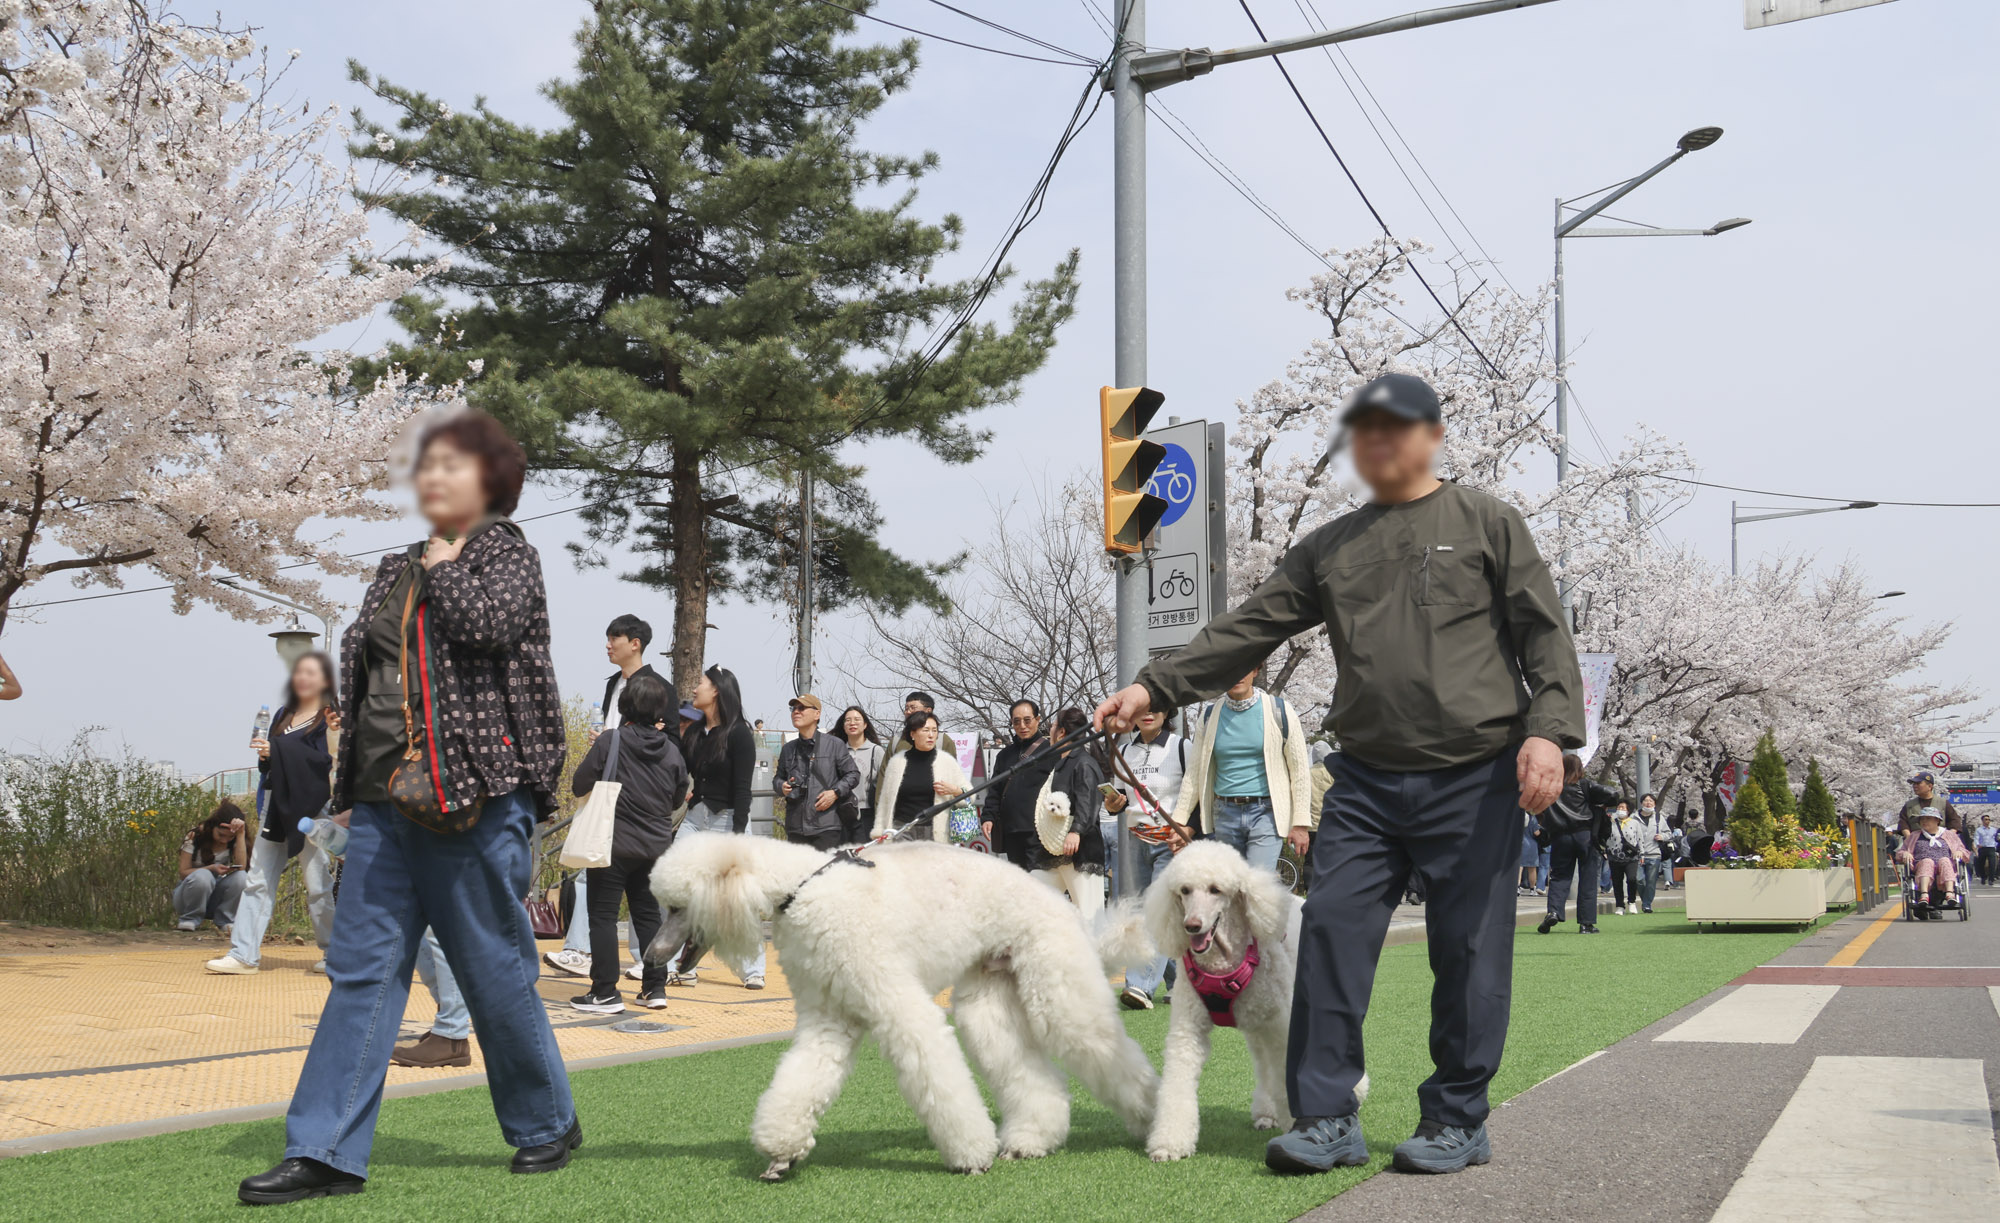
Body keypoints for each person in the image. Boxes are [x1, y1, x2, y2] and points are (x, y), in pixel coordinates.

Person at [1095, 371, 1583, 1177]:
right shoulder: (1331, 545)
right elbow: (1250, 626)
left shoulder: (1488, 521)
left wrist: (1550, 733)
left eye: (1394, 428)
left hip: (1476, 773)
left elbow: (1543, 633)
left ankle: (1458, 1115)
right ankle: (1325, 1115)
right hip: (1363, 780)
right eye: (1364, 432)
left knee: (1468, 950)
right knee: (1327, 933)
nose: (1377, 444)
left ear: (1431, 435)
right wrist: (1155, 685)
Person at [238, 410, 577, 1205]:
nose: (432, 478)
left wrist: (451, 566)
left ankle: (544, 1122)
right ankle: (323, 1147)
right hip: (384, 803)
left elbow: (490, 629)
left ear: (491, 480)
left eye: (452, 466)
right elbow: (364, 681)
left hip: (476, 797)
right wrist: (350, 791)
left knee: (494, 969)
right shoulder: (395, 566)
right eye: (427, 466)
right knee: (362, 971)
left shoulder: (507, 555)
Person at [543, 613, 662, 981]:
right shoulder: (613, 684)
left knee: (632, 896)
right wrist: (604, 744)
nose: (608, 645)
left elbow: (666, 742)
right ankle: (644, 970)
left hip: (635, 801)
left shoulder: (657, 687)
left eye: (614, 638)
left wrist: (618, 744)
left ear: (635, 643)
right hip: (607, 792)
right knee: (609, 883)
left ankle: (622, 973)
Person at [208, 654, 341, 976]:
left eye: (311, 673)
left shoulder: (332, 718)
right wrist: (268, 754)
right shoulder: (284, 714)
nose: (303, 679)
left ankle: (335, 954)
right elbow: (269, 766)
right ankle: (243, 954)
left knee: (317, 884)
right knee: (258, 881)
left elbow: (327, 762)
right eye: (299, 673)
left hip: (314, 810)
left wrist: (279, 750)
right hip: (277, 805)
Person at [568, 674, 689, 1015]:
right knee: (648, 917)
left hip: (613, 843)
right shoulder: (671, 750)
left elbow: (580, 784)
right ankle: (654, 989)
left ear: (625, 706)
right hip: (654, 846)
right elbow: (678, 796)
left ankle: (605, 992)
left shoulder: (612, 740)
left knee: (603, 917)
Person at [671, 664, 763, 988]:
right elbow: (681, 771)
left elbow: (742, 790)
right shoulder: (696, 732)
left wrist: (738, 838)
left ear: (717, 692)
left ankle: (753, 968)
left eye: (702, 683)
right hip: (697, 820)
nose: (695, 688)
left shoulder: (739, 734)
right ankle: (677, 964)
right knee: (676, 886)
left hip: (729, 821)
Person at [1173, 670, 1312, 874]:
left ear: (1255, 670)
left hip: (1265, 812)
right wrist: (1179, 821)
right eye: (1231, 668)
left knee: (1258, 886)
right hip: (1224, 812)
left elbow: (1299, 770)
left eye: (1245, 668)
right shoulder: (1209, 716)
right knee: (1229, 886)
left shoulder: (1279, 710)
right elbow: (1194, 773)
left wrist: (1300, 824)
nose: (1237, 675)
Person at [1104, 707, 1185, 1008]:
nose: (1149, 715)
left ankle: (1139, 984)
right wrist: (1113, 804)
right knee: (1142, 911)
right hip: (1134, 839)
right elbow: (1119, 802)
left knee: (1158, 911)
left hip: (1170, 840)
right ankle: (1179, 981)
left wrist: (1187, 830)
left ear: (1168, 713)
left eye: (1156, 709)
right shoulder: (1123, 751)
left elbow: (1190, 793)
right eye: (1143, 710)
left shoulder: (1180, 747)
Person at [1023, 708, 1109, 916]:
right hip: (1054, 850)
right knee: (1033, 905)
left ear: (1061, 732)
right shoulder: (1064, 763)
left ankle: (1094, 949)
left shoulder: (1084, 763)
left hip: (1081, 849)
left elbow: (1088, 801)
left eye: (1052, 726)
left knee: (1090, 914)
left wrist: (1076, 831)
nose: (1049, 730)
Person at [1538, 756, 1617, 935]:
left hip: (1560, 836)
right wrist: (1601, 804)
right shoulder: (1584, 785)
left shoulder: (1553, 787)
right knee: (1588, 877)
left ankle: (1554, 911)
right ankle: (1586, 923)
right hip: (1585, 835)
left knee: (1559, 876)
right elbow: (1613, 794)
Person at [775, 694, 860, 852]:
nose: (796, 712)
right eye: (793, 709)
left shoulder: (834, 744)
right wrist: (782, 786)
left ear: (817, 714)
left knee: (825, 874)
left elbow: (853, 774)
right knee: (797, 875)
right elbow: (777, 779)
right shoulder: (788, 748)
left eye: (801, 708)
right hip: (795, 827)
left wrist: (834, 793)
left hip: (826, 827)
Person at [873, 708, 969, 842]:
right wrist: (879, 830)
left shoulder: (946, 761)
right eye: (925, 730)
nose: (931, 735)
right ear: (912, 734)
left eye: (934, 730)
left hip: (936, 831)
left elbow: (969, 793)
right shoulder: (897, 762)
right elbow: (885, 801)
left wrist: (956, 791)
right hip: (901, 830)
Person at [982, 699, 1044, 866]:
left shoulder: (1051, 751)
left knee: (1040, 883)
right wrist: (988, 817)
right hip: (1011, 831)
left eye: (1027, 720)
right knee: (1018, 883)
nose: (1022, 725)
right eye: (1017, 721)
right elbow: (995, 789)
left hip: (1041, 833)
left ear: (1037, 720)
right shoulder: (1005, 755)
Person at [174, 802, 249, 932]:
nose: (224, 840)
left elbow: (241, 867)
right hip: (189, 896)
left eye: (230, 837)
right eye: (221, 835)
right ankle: (189, 919)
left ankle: (226, 920)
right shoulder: (195, 836)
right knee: (203, 876)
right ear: (213, 827)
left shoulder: (235, 840)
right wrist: (211, 868)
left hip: (215, 897)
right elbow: (183, 872)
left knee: (242, 877)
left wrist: (240, 834)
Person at [873, 690, 959, 798]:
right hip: (900, 809)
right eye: (906, 708)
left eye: (913, 708)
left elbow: (952, 778)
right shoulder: (897, 740)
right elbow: (884, 778)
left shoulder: (943, 741)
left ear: (928, 711)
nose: (908, 712)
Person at [1896, 808, 1971, 915]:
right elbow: (1900, 852)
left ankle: (1950, 893)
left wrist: (1959, 852)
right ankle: (1924, 895)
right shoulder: (1914, 836)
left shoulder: (1949, 835)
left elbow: (1964, 851)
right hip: (1921, 865)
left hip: (1945, 866)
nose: (1924, 821)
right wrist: (1905, 853)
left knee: (1945, 860)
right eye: (1922, 819)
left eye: (1928, 819)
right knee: (1927, 861)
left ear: (1937, 820)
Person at [837, 706, 884, 845]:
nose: (852, 723)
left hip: (866, 814)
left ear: (865, 725)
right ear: (843, 726)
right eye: (848, 720)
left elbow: (885, 784)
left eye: (857, 719)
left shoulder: (876, 751)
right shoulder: (838, 751)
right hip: (841, 813)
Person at [1606, 799, 1643, 916]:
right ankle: (1619, 905)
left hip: (1631, 857)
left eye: (1623, 808)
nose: (1620, 810)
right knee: (1617, 882)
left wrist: (1642, 854)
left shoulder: (1635, 823)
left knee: (1632, 879)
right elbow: (1606, 838)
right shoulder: (1611, 822)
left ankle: (1632, 901)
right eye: (1619, 807)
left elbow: (1640, 839)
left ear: (1629, 810)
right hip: (1614, 856)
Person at [1899, 772, 1963, 836]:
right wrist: (1909, 838)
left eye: (1918, 783)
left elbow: (1954, 822)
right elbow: (1903, 823)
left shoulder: (1943, 803)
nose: (1915, 786)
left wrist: (1948, 837)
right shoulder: (1909, 805)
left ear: (1929, 786)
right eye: (1914, 784)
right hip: (1916, 841)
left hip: (1939, 841)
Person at [1637, 794, 1672, 907]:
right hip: (1638, 854)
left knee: (1651, 882)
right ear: (1641, 803)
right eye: (1646, 801)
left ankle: (1647, 904)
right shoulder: (1634, 817)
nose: (1648, 803)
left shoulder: (1659, 818)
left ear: (1654, 803)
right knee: (1639, 880)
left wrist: (1662, 836)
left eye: (1651, 801)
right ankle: (1645, 899)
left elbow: (1668, 833)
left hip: (1654, 854)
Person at [1974, 813, 1998, 887]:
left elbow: (1996, 839)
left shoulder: (1994, 830)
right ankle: (1983, 877)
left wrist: (1995, 845)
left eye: (1988, 820)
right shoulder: (1979, 830)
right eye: (1986, 819)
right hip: (1982, 848)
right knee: (1981, 864)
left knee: (1992, 863)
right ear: (1982, 821)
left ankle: (1991, 879)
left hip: (1991, 848)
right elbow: (1976, 838)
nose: (1987, 821)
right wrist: (1977, 844)